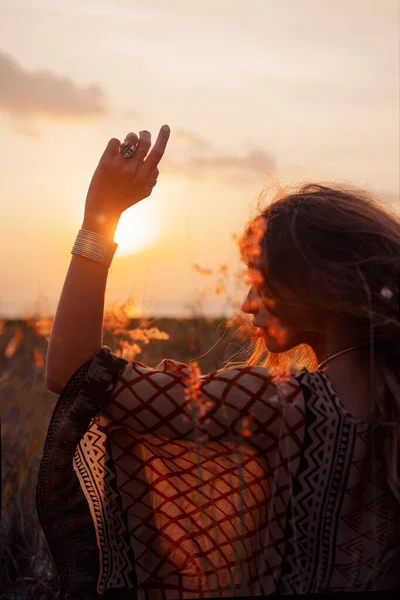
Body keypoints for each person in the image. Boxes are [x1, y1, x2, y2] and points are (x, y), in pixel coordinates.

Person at [36, 125, 400, 599]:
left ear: (323, 287)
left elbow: (72, 371)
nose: (248, 304)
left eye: (262, 283)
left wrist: (100, 215)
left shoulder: (272, 405)